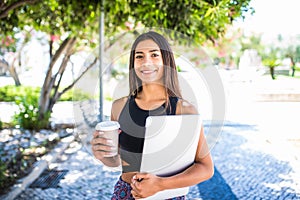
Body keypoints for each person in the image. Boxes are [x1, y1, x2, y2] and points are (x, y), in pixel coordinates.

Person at [91, 31, 214, 199]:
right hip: (125, 193)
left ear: (166, 61)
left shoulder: (184, 110)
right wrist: (103, 155)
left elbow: (206, 168)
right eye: (139, 56)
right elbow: (119, 161)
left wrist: (160, 185)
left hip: (166, 195)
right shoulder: (119, 107)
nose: (146, 62)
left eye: (154, 55)